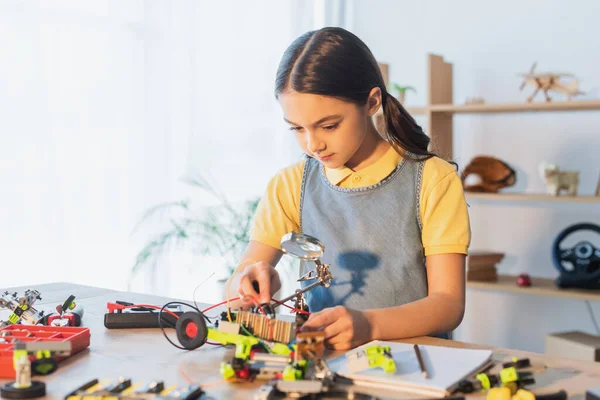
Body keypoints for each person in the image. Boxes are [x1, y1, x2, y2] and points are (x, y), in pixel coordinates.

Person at [225, 27, 470, 350]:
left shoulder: (432, 180)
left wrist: (370, 325)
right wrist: (247, 282)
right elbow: (235, 287)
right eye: (297, 129)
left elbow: (449, 304)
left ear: (371, 102)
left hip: (415, 367)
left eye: (328, 126)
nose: (313, 144)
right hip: (326, 365)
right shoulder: (290, 184)